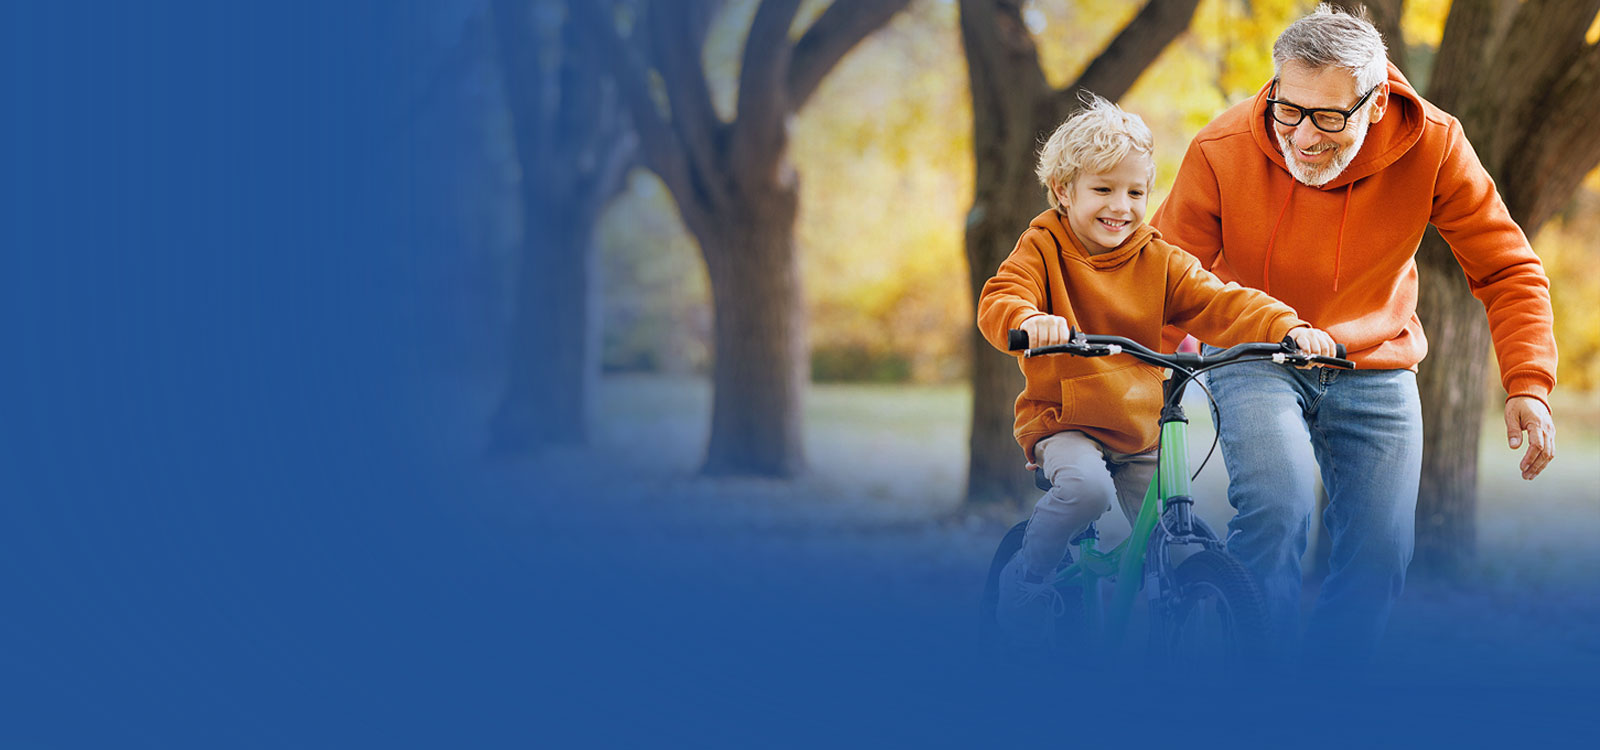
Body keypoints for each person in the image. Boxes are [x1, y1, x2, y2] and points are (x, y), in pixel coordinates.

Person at [1150, 5, 1558, 661]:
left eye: (1329, 116)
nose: (1305, 136)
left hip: (1375, 359)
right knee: (1278, 508)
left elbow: (1509, 269)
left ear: (1375, 103)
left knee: (1378, 556)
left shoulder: (1434, 144)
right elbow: (1164, 279)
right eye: (1290, 109)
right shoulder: (1222, 149)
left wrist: (1529, 384)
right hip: (1254, 350)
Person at [976, 94, 1339, 650]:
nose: (1121, 206)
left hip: (1141, 427)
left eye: (1135, 192)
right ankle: (1027, 578)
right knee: (1087, 492)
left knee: (1182, 539)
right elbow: (1003, 296)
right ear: (1062, 192)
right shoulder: (1043, 246)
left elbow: (1222, 301)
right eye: (1103, 190)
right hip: (1066, 419)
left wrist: (1288, 329)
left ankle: (1184, 626)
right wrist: (1030, 319)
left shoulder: (1159, 257)